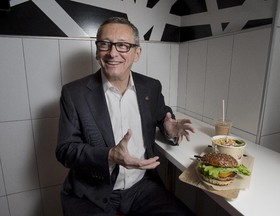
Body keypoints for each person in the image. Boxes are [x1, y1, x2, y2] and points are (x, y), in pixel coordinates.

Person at [56, 17, 196, 216]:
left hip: (142, 187)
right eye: (105, 44)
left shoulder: (151, 87)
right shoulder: (74, 93)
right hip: (91, 193)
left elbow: (163, 115)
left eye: (122, 45)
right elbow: (65, 150)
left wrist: (168, 127)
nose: (113, 53)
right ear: (97, 51)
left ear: (137, 53)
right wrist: (110, 155)